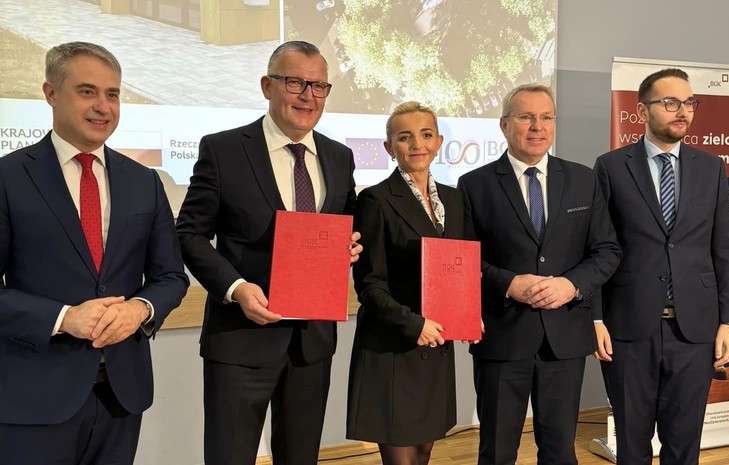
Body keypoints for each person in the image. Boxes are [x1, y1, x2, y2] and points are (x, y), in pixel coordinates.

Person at [0, 41, 189, 464]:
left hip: (121, 396)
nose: (103, 106)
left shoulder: (145, 181)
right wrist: (63, 318)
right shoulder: (8, 177)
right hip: (34, 398)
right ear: (51, 93)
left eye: (113, 94)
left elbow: (170, 277)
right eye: (87, 91)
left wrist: (139, 309)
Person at [175, 41, 361, 465]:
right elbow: (189, 233)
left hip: (312, 343)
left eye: (319, 86)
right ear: (267, 86)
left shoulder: (339, 156)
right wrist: (235, 288)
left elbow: (347, 224)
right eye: (295, 82)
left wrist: (351, 244)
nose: (308, 96)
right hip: (240, 339)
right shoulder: (223, 150)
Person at [457, 83, 621, 465]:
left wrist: (571, 285)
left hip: (564, 340)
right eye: (526, 117)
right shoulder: (474, 185)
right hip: (502, 337)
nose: (537, 126)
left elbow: (607, 250)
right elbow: (462, 259)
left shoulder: (583, 180)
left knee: (560, 452)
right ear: (504, 125)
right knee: (497, 453)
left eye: (546, 117)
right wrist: (508, 284)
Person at [593, 68, 729, 465]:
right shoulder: (611, 167)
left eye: (689, 103)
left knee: (684, 445)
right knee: (632, 445)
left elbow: (725, 249)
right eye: (670, 102)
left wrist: (728, 320)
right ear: (642, 111)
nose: (683, 111)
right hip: (629, 329)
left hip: (694, 331)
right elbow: (598, 248)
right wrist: (596, 318)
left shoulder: (711, 167)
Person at [346, 101, 463, 465]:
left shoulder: (455, 199)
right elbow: (369, 285)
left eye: (426, 135)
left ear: (439, 142)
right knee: (402, 460)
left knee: (423, 452)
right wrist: (414, 324)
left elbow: (461, 268)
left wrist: (469, 311)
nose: (417, 145)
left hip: (437, 345)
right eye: (404, 137)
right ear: (389, 147)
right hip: (393, 347)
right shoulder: (375, 199)